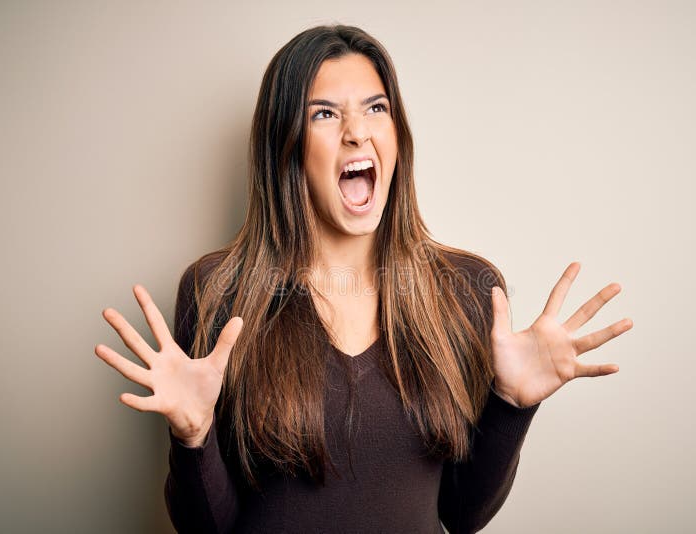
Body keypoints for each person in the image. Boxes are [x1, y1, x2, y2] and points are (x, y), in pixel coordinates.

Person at [94, 24, 633, 534]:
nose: (357, 132)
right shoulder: (220, 290)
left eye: (376, 108)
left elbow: (462, 515)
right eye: (324, 114)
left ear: (396, 135)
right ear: (286, 146)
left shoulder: (467, 290)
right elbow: (208, 527)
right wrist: (193, 437)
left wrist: (511, 405)